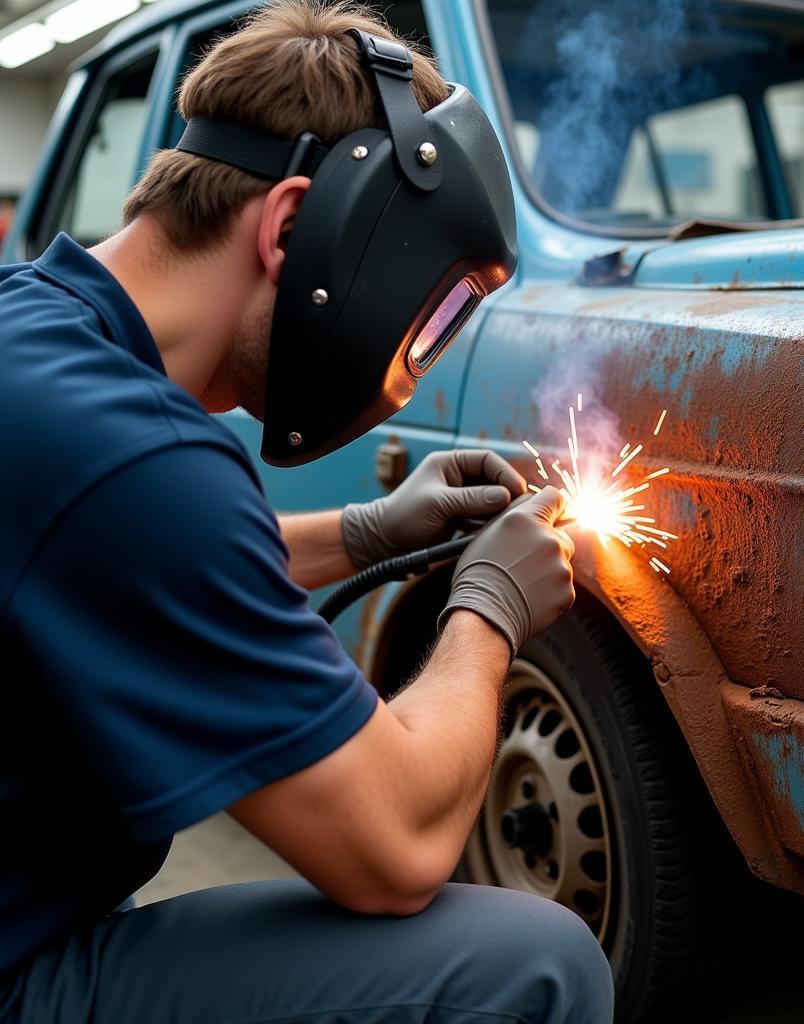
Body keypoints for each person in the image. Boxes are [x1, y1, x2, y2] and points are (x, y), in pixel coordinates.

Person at [0, 2, 614, 1021]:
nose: (404, 374)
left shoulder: (39, 340)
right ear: (291, 228)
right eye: (414, 313)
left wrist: (369, 532)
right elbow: (398, 845)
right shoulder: (135, 455)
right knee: (534, 962)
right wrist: (489, 611)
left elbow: (133, 567)